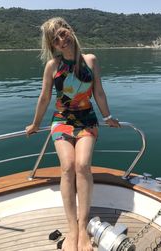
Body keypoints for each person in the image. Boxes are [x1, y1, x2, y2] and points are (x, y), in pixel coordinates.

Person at [25, 17, 120, 251]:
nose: (61, 39)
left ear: (70, 30)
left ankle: (83, 225)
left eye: (63, 32)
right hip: (61, 121)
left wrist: (107, 117)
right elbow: (45, 97)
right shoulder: (53, 66)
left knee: (82, 165)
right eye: (55, 38)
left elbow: (98, 91)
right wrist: (35, 123)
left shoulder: (91, 60)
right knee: (67, 166)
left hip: (87, 120)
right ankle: (72, 228)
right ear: (52, 45)